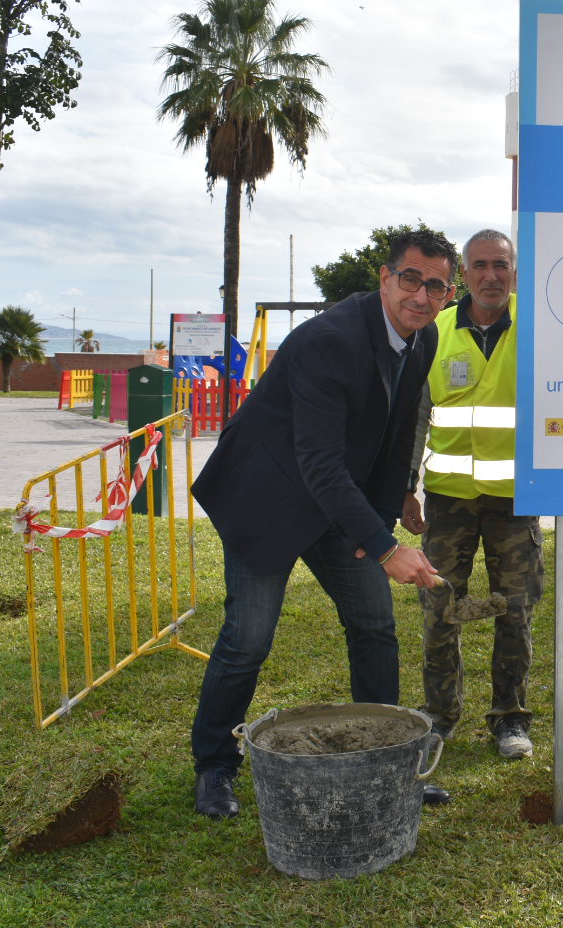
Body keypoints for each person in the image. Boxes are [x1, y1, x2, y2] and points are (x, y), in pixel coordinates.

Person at [188, 228, 458, 819]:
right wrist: (385, 549)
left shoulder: (426, 336)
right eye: (410, 278)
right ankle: (213, 766)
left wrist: (386, 513)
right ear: (384, 278)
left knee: (374, 627)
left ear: (448, 295)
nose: (421, 294)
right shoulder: (327, 341)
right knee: (247, 639)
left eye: (435, 285)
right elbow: (317, 461)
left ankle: (389, 758)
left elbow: (390, 434)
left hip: (340, 504)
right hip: (269, 500)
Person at [404, 230, 544, 760]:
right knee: (440, 608)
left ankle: (510, 719)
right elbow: (416, 414)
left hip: (516, 500)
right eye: (480, 266)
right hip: (447, 500)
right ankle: (439, 715)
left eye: (501, 265)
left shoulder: (540, 326)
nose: (491, 275)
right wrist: (405, 487)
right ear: (464, 274)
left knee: (516, 610)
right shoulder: (434, 331)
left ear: (515, 270)